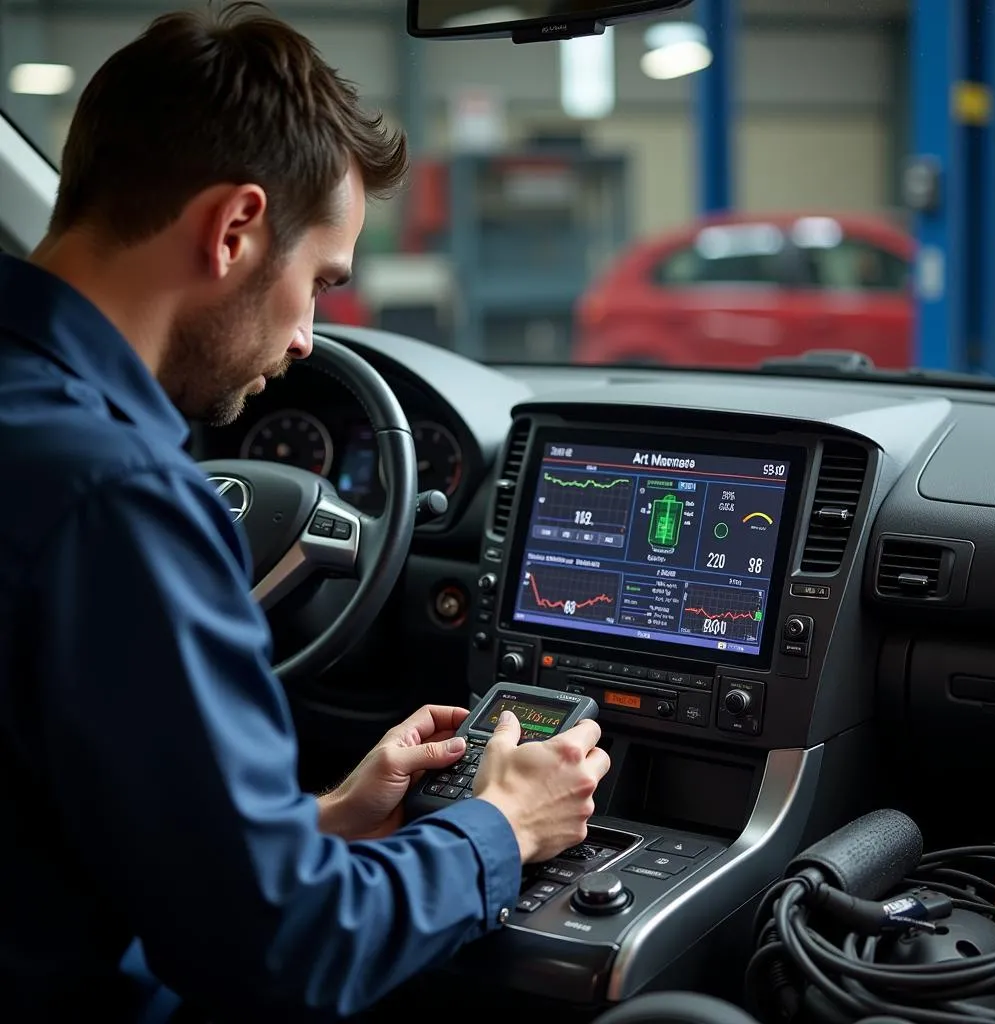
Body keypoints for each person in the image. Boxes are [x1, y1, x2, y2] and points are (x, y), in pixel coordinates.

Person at [0, 3, 611, 1021]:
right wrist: (502, 824)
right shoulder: (120, 501)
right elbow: (284, 950)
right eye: (319, 282)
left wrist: (314, 826)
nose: (304, 342)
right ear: (235, 229)